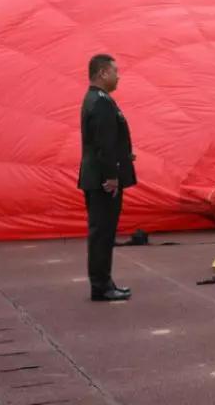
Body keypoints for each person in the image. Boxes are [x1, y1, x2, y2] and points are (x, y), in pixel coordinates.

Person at [78, 54, 137, 302]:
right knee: (102, 233)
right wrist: (112, 176)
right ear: (103, 73)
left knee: (103, 232)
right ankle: (101, 285)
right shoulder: (101, 102)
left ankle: (104, 281)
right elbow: (103, 144)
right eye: (115, 71)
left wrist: (124, 155)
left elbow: (107, 142)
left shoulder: (97, 99)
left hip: (98, 176)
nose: (118, 75)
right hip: (104, 180)